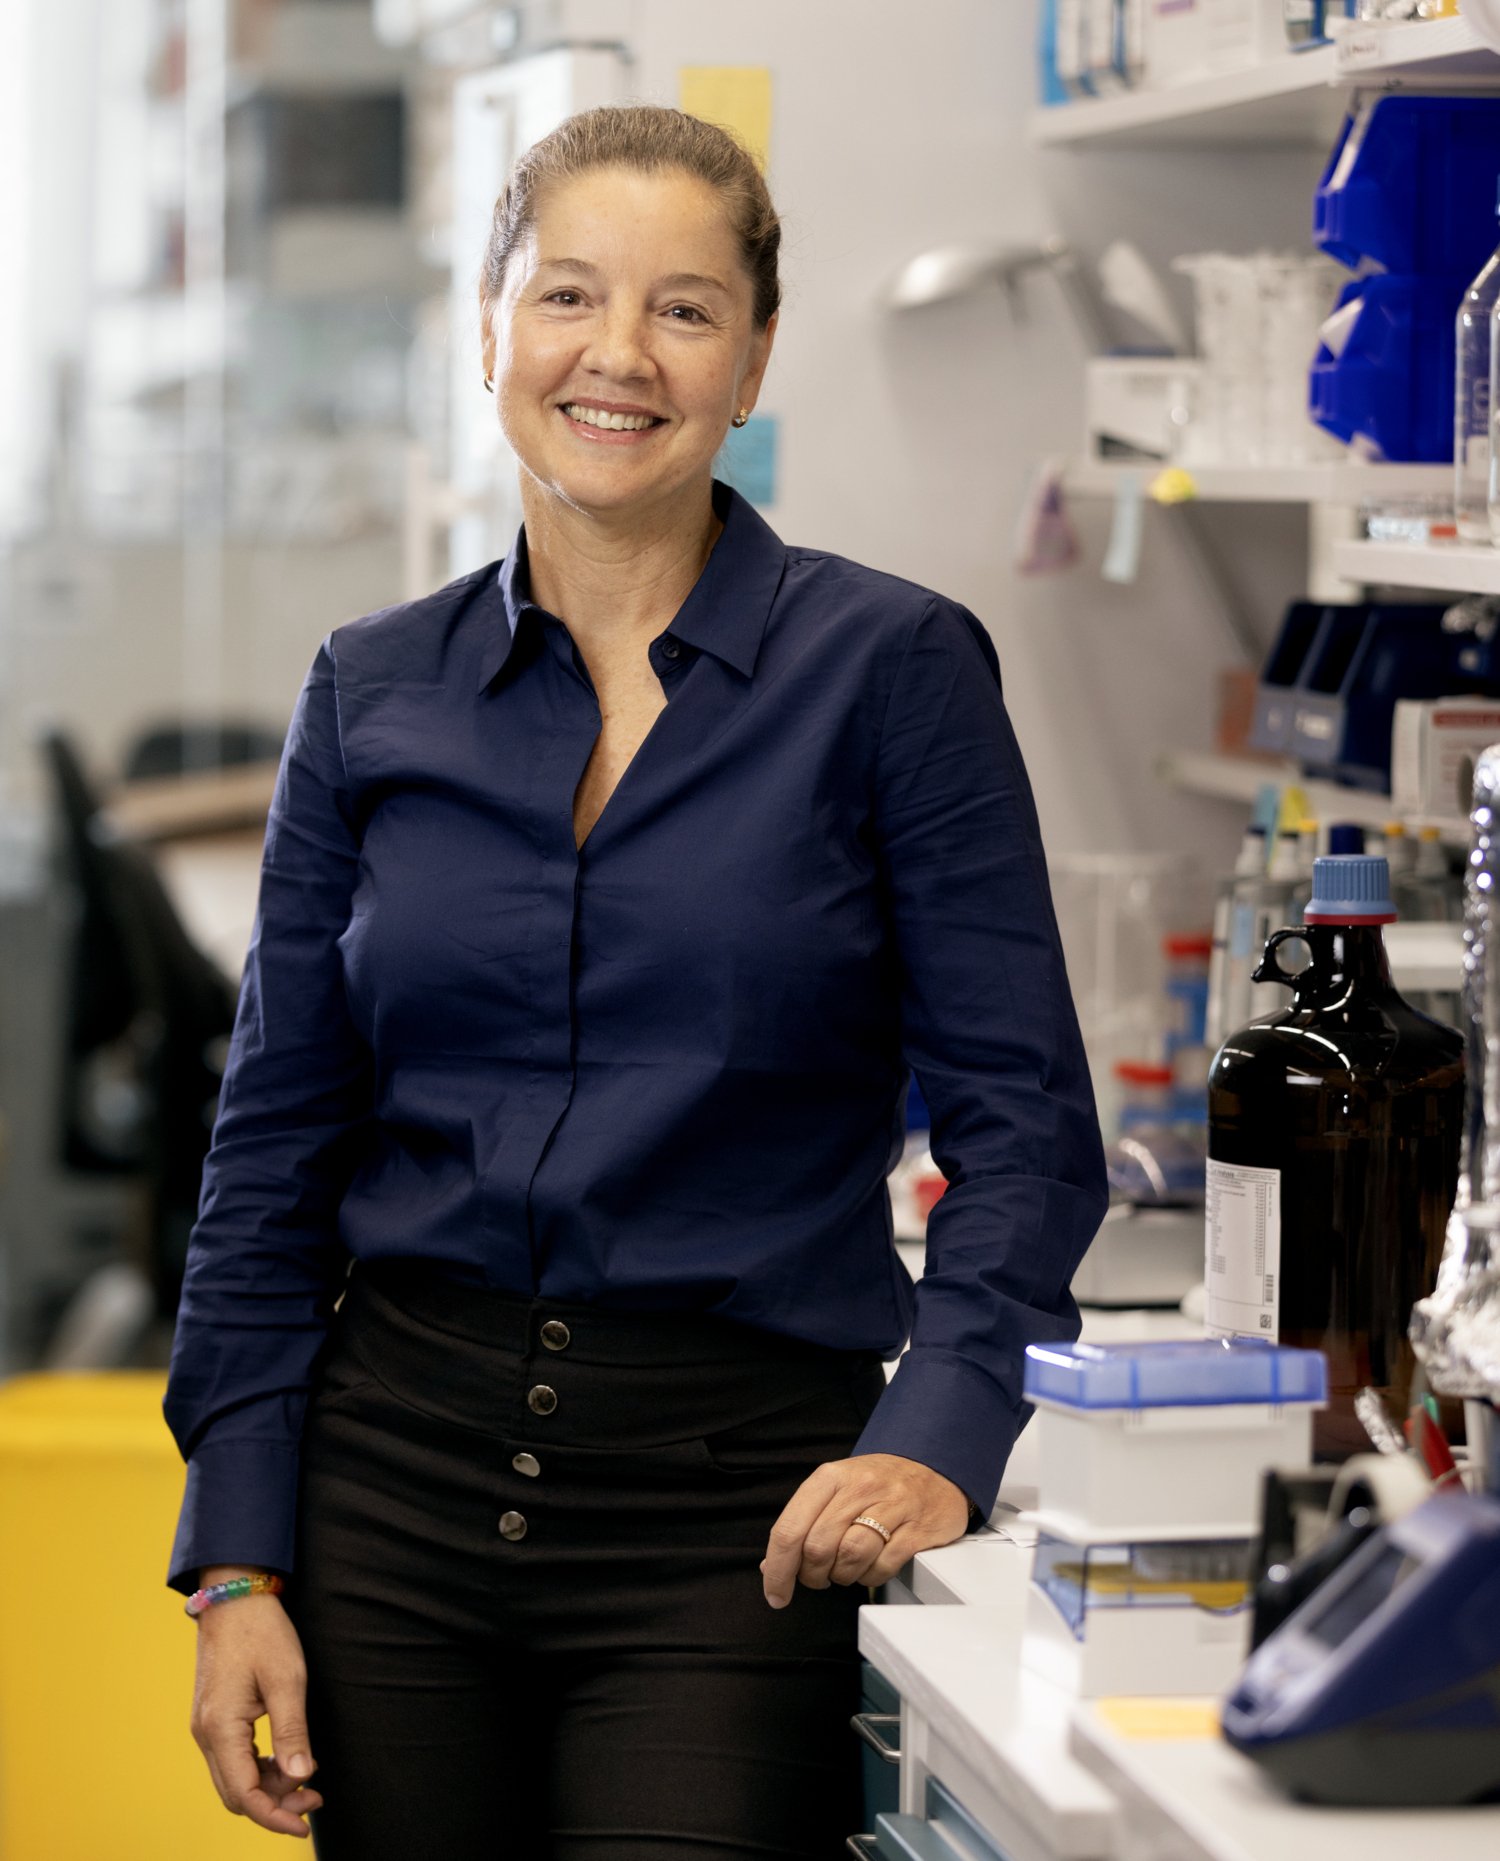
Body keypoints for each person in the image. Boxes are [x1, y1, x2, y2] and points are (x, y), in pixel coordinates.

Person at [163, 104, 1107, 1859]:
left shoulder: (891, 669)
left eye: (684, 309)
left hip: (733, 1509)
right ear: (491, 331)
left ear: (753, 359)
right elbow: (270, 1149)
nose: (618, 355)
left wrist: (945, 1432)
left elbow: (1030, 1127)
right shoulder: (370, 691)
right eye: (568, 297)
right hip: (393, 1503)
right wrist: (234, 1555)